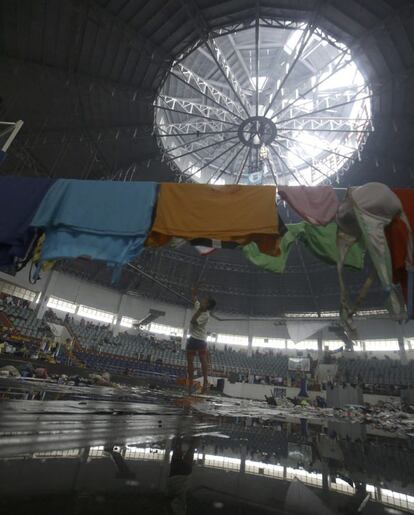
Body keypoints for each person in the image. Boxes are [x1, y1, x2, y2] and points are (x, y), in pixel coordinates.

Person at [186, 286, 216, 394]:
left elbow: (193, 321)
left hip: (200, 340)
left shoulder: (206, 315)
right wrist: (195, 290)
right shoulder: (200, 306)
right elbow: (194, 297)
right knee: (190, 362)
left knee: (203, 360)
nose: (203, 300)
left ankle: (205, 383)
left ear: (207, 305)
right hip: (193, 338)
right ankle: (190, 384)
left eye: (205, 301)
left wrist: (199, 310)